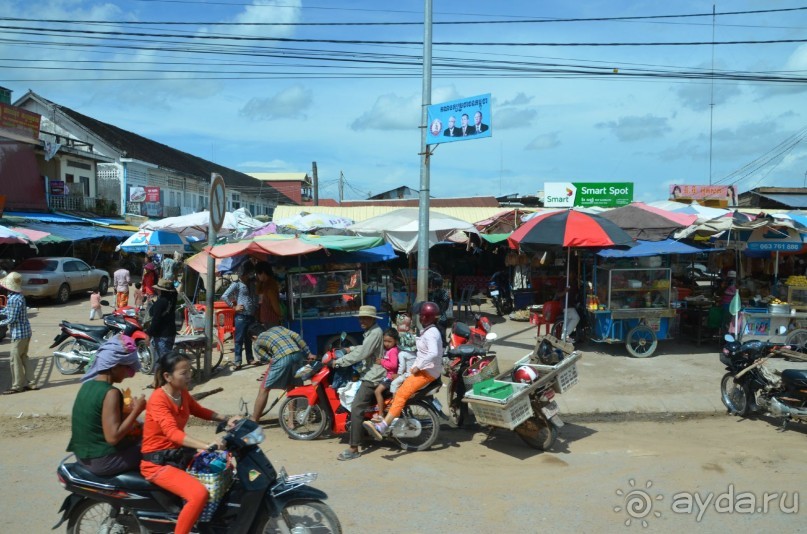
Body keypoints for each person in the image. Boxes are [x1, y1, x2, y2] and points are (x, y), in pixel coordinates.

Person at [141, 351, 240, 534]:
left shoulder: (181, 392)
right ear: (167, 376)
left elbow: (198, 410)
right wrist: (207, 445)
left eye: (189, 371)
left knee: (224, 469)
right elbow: (172, 433)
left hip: (176, 455)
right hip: (157, 464)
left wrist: (226, 419)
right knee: (198, 494)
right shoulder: (158, 399)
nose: (189, 376)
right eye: (183, 373)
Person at [66, 334, 145, 475]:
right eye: (126, 368)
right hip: (102, 461)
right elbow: (113, 437)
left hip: (83, 457)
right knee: (159, 449)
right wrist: (137, 411)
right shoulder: (111, 393)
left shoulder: (87, 385)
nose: (128, 373)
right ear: (113, 366)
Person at [364, 301, 443, 440]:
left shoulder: (431, 333)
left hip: (427, 372)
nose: (419, 317)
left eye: (421, 315)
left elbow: (433, 353)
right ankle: (391, 414)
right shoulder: (429, 330)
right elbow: (423, 353)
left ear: (426, 317)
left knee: (401, 394)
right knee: (398, 387)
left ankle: (383, 426)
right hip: (424, 370)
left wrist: (419, 365)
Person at [332, 305, 385, 461]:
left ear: (373, 319)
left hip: (373, 375)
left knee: (356, 407)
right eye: (361, 318)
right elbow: (364, 347)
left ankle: (353, 448)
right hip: (368, 371)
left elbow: (363, 353)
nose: (362, 320)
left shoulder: (375, 332)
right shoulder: (372, 332)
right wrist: (349, 348)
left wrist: (339, 362)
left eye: (365, 318)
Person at [247, 323, 316, 422]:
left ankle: (254, 419)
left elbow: (269, 359)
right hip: (298, 355)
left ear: (254, 337)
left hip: (282, 358)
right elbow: (296, 336)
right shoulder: (278, 328)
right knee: (291, 387)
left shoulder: (257, 341)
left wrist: (271, 369)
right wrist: (308, 352)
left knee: (264, 389)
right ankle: (291, 421)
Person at [0, 272, 36, 394]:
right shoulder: (19, 296)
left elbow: (12, 319)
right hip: (26, 332)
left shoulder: (13, 299)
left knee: (14, 360)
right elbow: (9, 310)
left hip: (19, 334)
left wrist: (0, 323)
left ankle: (17, 386)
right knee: (24, 357)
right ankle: (32, 383)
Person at [222, 262, 259, 369]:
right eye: (248, 273)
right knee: (239, 339)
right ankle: (238, 361)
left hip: (251, 316)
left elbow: (255, 296)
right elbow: (224, 296)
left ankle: (250, 358)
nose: (249, 275)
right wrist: (234, 307)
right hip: (241, 316)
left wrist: (256, 307)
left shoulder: (252, 284)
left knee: (249, 339)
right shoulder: (237, 284)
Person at [148, 279, 178, 358]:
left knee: (163, 361)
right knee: (166, 359)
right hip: (170, 333)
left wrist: (149, 334)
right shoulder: (172, 300)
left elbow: (156, 320)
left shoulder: (161, 302)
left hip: (162, 335)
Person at [374, 328, 400, 419]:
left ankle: (381, 414)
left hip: (390, 377)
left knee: (377, 391)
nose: (387, 343)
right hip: (388, 375)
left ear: (395, 341)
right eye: (385, 341)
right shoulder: (390, 350)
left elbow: (393, 365)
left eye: (389, 341)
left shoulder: (393, 351)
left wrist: (382, 362)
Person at [255, 262, 282, 328]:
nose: (257, 276)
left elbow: (275, 306)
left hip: (271, 321)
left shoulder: (270, 287)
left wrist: (281, 316)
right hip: (265, 320)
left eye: (258, 274)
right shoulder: (263, 285)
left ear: (263, 273)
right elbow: (260, 302)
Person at [556, 271, 581, 342]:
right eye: (571, 273)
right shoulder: (563, 282)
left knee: (568, 320)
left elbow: (576, 292)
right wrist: (565, 291)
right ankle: (565, 335)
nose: (572, 275)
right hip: (565, 305)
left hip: (572, 304)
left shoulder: (574, 282)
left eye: (574, 273)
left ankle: (564, 336)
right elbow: (558, 294)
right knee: (576, 318)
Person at [429, 274, 451, 346]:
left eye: (431, 283)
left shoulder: (439, 293)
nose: (430, 285)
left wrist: (438, 313)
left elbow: (444, 306)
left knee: (440, 337)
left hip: (439, 319)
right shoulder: (443, 293)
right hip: (441, 317)